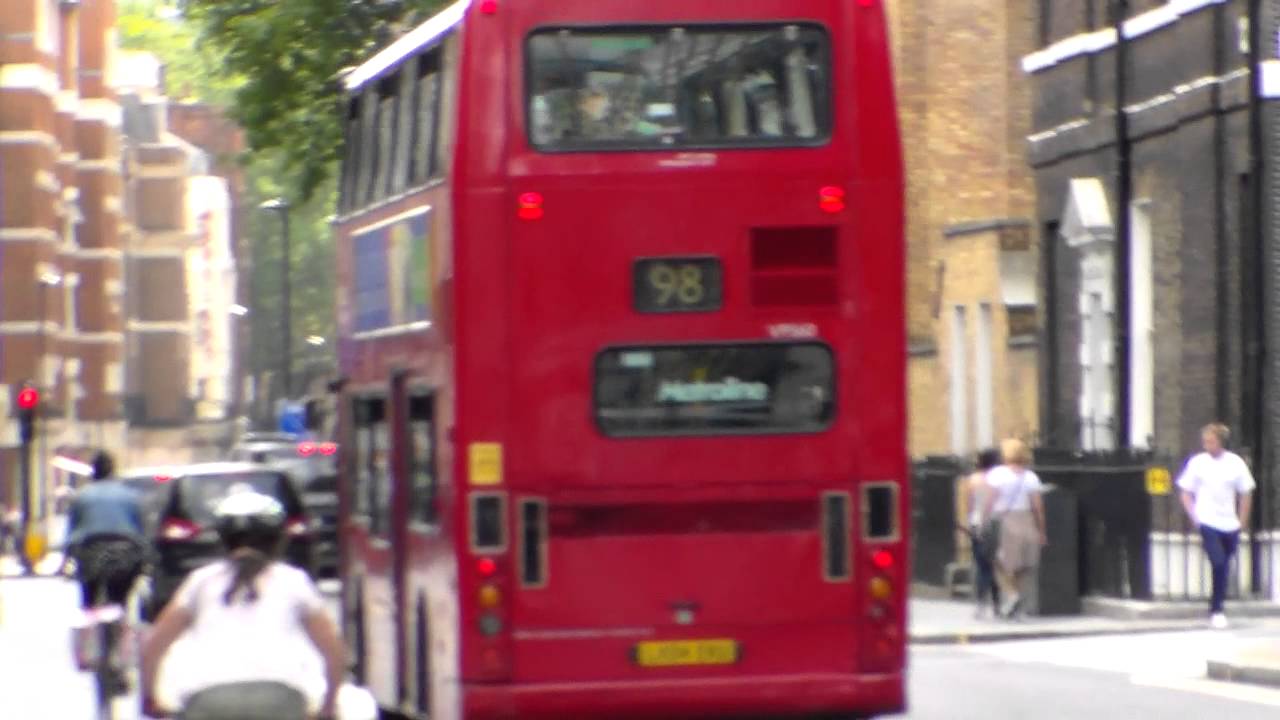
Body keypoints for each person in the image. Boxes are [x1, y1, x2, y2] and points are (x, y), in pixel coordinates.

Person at [141, 488, 346, 720]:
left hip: (208, 699)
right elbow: (333, 649)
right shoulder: (293, 581)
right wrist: (329, 703)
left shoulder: (201, 582)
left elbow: (154, 645)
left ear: (222, 539)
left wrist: (150, 697)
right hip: (281, 699)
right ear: (278, 540)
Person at [1177, 422, 1255, 629]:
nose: (1206, 445)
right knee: (1218, 562)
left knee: (1223, 566)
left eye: (1210, 441)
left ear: (1221, 442)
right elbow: (1185, 491)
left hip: (1230, 523)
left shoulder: (1235, 463)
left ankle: (1216, 603)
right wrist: (1194, 517)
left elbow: (1246, 493)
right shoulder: (1198, 463)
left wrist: (1242, 522)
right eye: (1205, 441)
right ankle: (1217, 609)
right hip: (1207, 521)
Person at [64, 450, 148, 609]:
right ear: (112, 471)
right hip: (125, 551)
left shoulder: (81, 496)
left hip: (91, 551)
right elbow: (141, 532)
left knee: (89, 599)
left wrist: (66, 561)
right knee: (121, 600)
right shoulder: (130, 495)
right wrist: (146, 560)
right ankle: (120, 620)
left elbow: (72, 533)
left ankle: (90, 617)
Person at [983, 438, 1047, 620]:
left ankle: (1011, 595)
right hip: (1026, 520)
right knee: (1024, 566)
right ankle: (1019, 608)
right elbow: (1038, 507)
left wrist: (983, 520)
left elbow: (989, 500)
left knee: (997, 562)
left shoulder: (997, 475)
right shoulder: (1031, 477)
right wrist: (1042, 531)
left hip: (1004, 520)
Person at [965, 448, 1002, 619]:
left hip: (977, 523)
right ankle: (997, 604)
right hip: (996, 524)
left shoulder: (974, 479)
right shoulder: (999, 479)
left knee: (982, 565)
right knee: (996, 566)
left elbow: (970, 504)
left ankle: (980, 604)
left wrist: (970, 521)